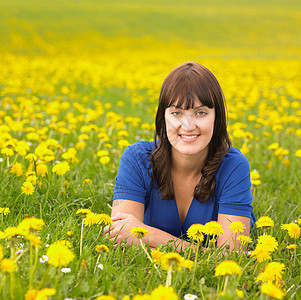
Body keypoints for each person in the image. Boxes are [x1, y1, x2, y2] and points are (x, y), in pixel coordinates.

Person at [104, 62, 255, 251]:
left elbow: (232, 256)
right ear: (163, 118)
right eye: (177, 112)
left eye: (201, 113)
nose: (188, 125)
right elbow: (121, 238)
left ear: (217, 118)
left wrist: (152, 236)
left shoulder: (233, 166)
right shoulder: (137, 159)